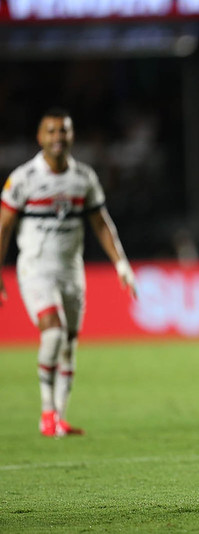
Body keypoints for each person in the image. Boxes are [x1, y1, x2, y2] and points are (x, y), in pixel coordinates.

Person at [0, 108, 137, 437]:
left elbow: (100, 223)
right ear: (40, 137)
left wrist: (121, 263)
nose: (58, 138)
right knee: (54, 331)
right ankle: (47, 412)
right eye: (51, 132)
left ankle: (59, 416)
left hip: (71, 271)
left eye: (64, 131)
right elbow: (3, 227)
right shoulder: (23, 179)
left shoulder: (83, 178)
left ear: (72, 136)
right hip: (35, 268)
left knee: (69, 344)